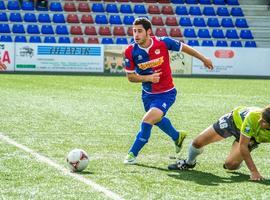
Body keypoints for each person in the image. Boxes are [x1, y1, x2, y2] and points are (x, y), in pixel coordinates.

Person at [123, 18, 213, 164]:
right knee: (156, 120)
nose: (136, 35)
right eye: (134, 31)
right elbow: (131, 77)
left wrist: (203, 58)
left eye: (139, 31)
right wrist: (149, 78)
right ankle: (177, 136)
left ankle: (132, 153)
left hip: (166, 93)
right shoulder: (130, 51)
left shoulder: (163, 42)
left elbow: (184, 48)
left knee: (147, 120)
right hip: (147, 95)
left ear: (148, 32)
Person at [168, 105, 270, 181]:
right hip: (233, 122)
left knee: (231, 165)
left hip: (251, 136)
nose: (260, 121)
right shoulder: (253, 116)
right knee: (197, 143)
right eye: (261, 117)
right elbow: (243, 145)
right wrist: (254, 171)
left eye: (264, 122)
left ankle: (240, 156)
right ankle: (189, 162)